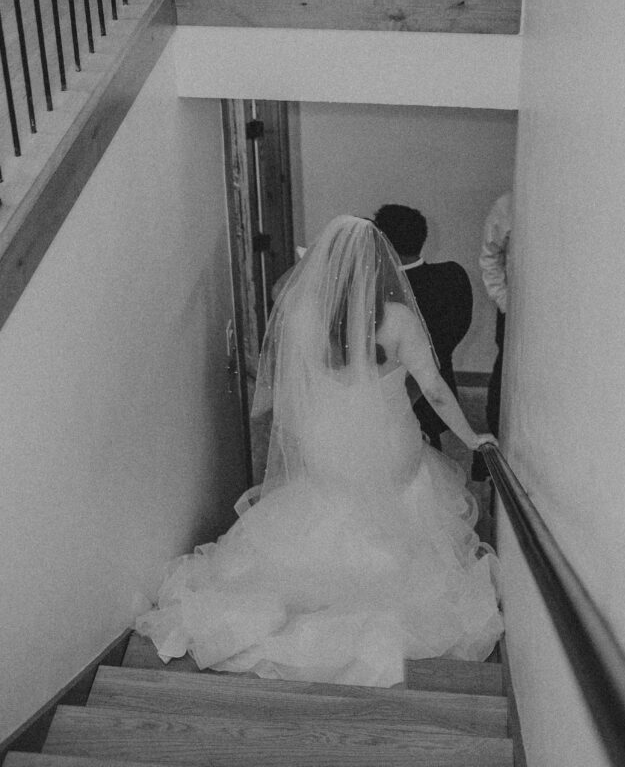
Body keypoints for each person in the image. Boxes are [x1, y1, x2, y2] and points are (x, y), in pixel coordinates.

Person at [137, 216, 503, 688]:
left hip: (327, 441)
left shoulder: (300, 314)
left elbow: (282, 391)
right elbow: (433, 390)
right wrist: (473, 437)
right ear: (379, 267)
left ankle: (312, 590)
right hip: (388, 443)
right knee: (400, 511)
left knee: (326, 506)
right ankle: (369, 593)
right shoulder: (398, 320)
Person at [373, 204, 473, 452]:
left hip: (379, 405)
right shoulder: (452, 278)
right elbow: (450, 338)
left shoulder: (373, 292)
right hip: (433, 400)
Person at [472, 191, 512, 482]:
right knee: (504, 373)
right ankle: (494, 446)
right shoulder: (507, 205)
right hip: (513, 309)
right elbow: (490, 257)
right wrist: (505, 302)